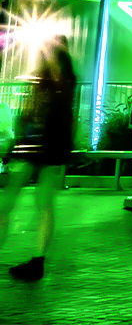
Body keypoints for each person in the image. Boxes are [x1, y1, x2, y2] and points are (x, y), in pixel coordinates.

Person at [1, 37, 77, 280]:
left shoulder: (53, 78)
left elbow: (30, 111)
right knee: (41, 204)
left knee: (8, 203)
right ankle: (38, 260)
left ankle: (36, 261)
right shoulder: (65, 79)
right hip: (51, 147)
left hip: (35, 146)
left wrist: (16, 142)